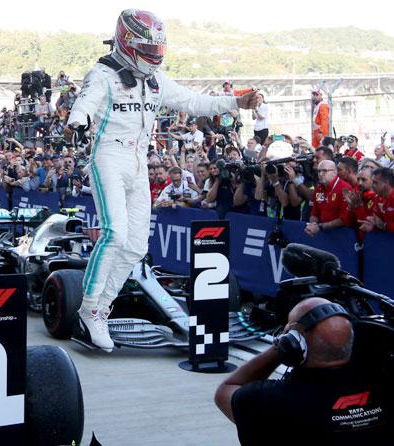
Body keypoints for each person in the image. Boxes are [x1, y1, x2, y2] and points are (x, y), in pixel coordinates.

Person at [68, 9, 258, 351]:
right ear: (127, 43)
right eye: (147, 50)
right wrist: (79, 123)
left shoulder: (156, 81)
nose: (154, 57)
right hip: (108, 156)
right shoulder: (102, 75)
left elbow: (196, 101)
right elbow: (83, 105)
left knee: (137, 246)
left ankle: (99, 309)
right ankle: (87, 308)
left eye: (158, 50)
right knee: (114, 233)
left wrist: (237, 101)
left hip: (140, 160)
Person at [215, 297, 393, 445]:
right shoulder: (384, 385)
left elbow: (227, 389)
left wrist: (279, 348)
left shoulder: (267, 400)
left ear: (293, 343)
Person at [305, 160, 351, 237]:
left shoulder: (344, 188)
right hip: (324, 232)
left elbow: (344, 219)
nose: (320, 174)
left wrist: (321, 226)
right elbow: (315, 212)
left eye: (324, 171)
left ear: (334, 172)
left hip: (341, 234)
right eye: (319, 171)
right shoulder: (319, 189)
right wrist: (313, 224)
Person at [359, 167, 394, 233]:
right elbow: (375, 219)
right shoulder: (378, 197)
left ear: (386, 183)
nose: (372, 186)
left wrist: (385, 225)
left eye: (375, 183)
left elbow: (382, 224)